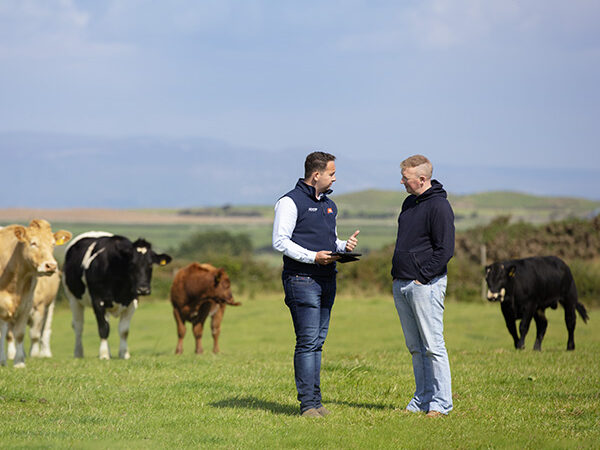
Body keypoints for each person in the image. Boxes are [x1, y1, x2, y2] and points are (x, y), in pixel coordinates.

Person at [272, 151, 359, 418]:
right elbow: (280, 241)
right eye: (332, 173)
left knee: (317, 343)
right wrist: (313, 257)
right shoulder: (289, 202)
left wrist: (343, 247)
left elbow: (329, 241)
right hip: (302, 280)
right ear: (316, 174)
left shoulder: (330, 205)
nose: (335, 177)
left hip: (327, 277)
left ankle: (317, 403)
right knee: (308, 342)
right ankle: (308, 405)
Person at [391, 154, 454, 417]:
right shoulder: (409, 203)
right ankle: (421, 400)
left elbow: (445, 250)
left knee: (432, 346)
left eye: (406, 178)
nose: (402, 182)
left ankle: (441, 404)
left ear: (422, 179)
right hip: (402, 283)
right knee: (416, 347)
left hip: (424, 286)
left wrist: (422, 277)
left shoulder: (439, 207)